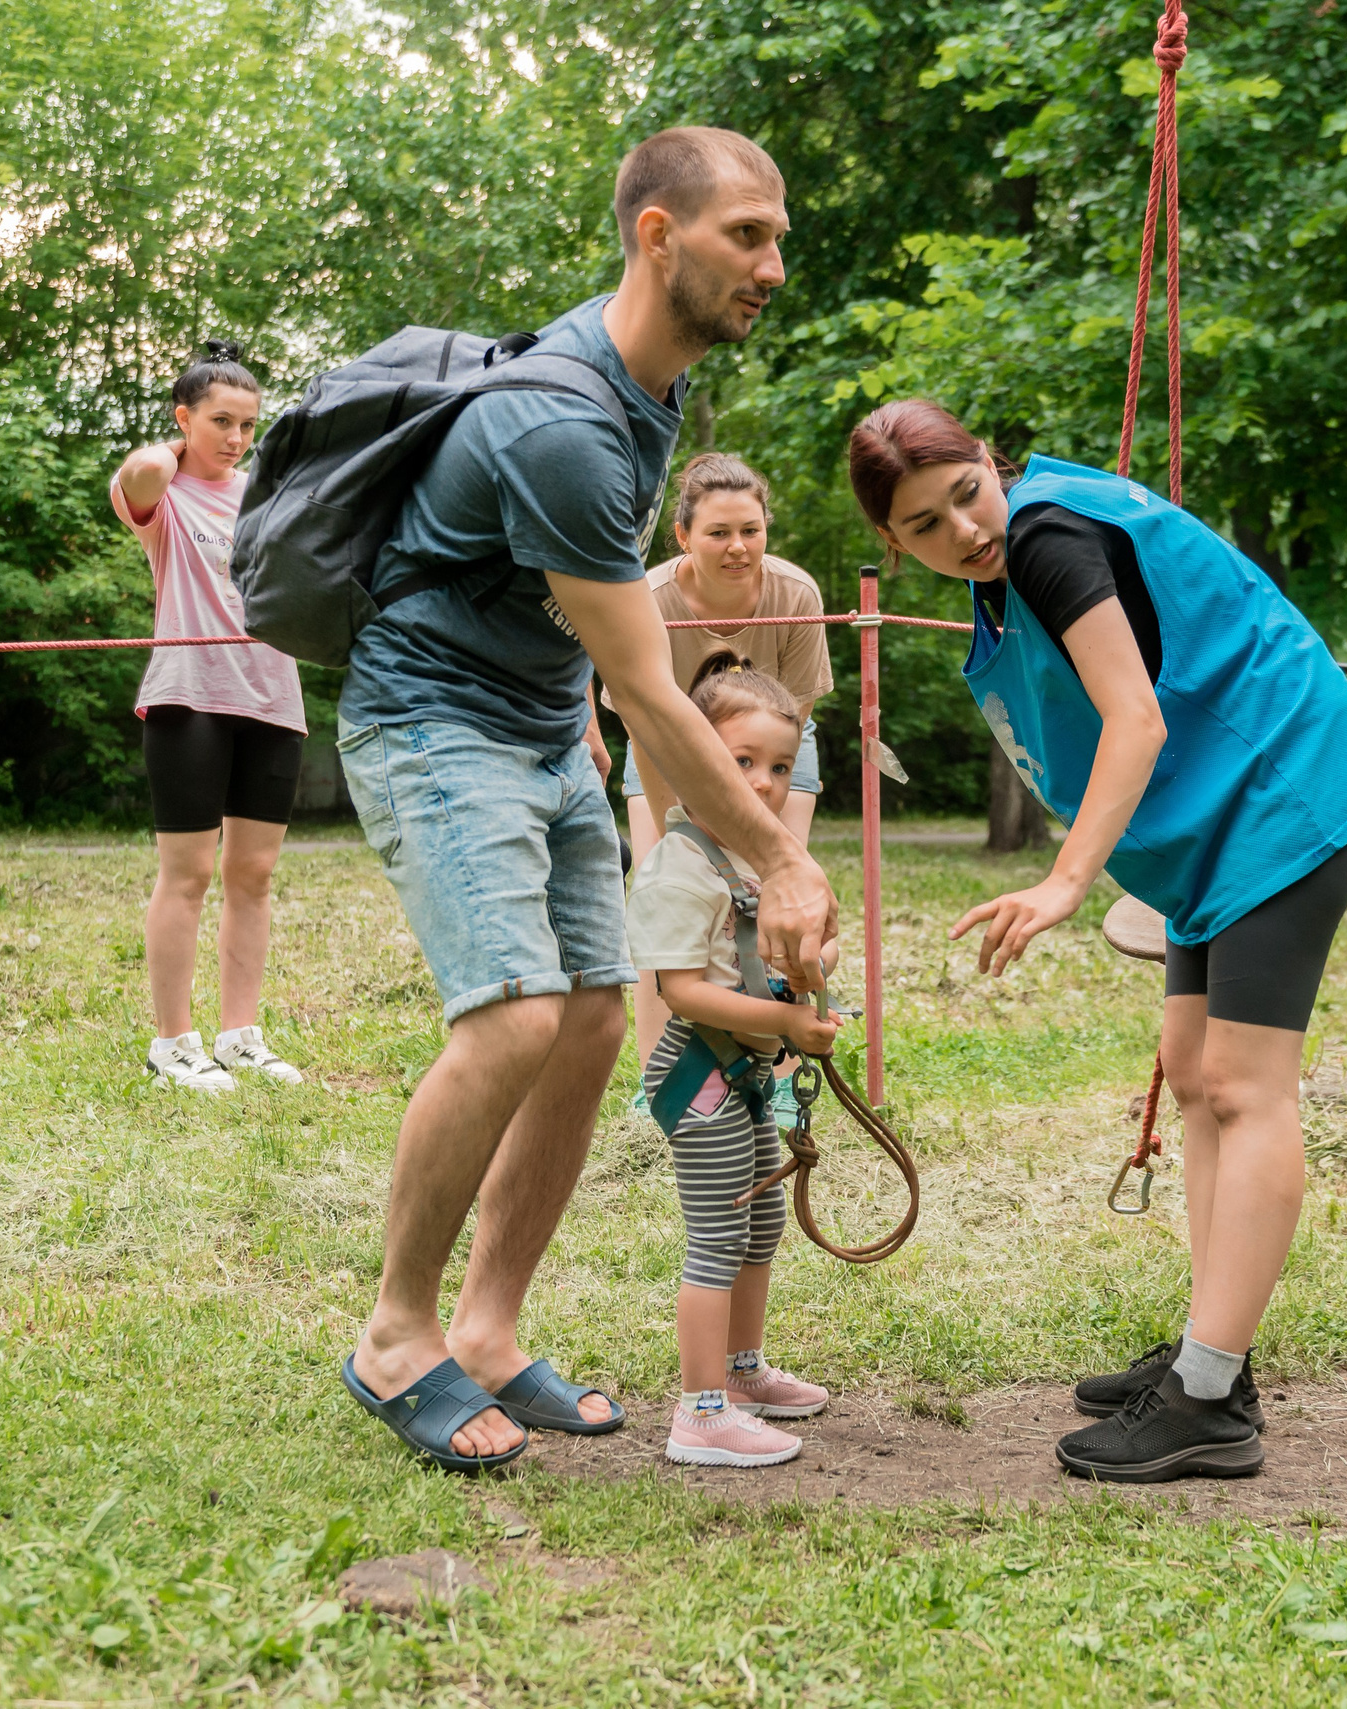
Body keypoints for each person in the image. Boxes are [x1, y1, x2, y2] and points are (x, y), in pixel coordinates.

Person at [331, 128, 838, 1474]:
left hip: (543, 725)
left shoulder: (647, 394)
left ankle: (489, 1331)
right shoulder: (560, 420)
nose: (774, 265)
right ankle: (397, 1335)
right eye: (747, 235)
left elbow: (603, 677)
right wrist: (780, 865)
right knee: (511, 1021)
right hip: (436, 721)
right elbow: (653, 688)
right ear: (655, 236)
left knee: (594, 1024)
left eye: (779, 236)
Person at [847, 399, 1347, 1484]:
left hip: (1285, 800)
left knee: (1245, 1087)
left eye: (965, 491)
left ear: (986, 460)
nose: (962, 529)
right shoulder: (1001, 576)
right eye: (923, 525)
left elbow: (1135, 716)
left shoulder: (1050, 537)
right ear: (892, 544)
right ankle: (1213, 1350)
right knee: (1195, 1076)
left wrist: (1066, 880)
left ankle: (1206, 1396)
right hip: (1221, 824)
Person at [625, 653, 840, 1468]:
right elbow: (683, 992)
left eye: (779, 767)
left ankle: (742, 1371)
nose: (763, 783)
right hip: (699, 1075)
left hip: (746, 1074)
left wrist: (802, 986)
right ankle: (699, 1410)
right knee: (717, 1235)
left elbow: (743, 966)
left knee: (761, 1219)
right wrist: (785, 1015)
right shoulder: (682, 864)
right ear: (694, 759)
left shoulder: (753, 863)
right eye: (740, 761)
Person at [110, 341, 308, 1094]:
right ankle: (172, 1044)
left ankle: (239, 1035)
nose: (235, 438)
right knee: (188, 874)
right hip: (188, 695)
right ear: (182, 417)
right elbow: (146, 474)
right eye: (220, 420)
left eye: (248, 424)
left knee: (252, 875)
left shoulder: (264, 494)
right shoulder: (161, 494)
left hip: (272, 695)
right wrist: (178, 442)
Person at [609, 452, 832, 1118]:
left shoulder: (795, 595)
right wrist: (687, 836)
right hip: (667, 750)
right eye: (718, 532)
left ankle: (780, 1075)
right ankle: (660, 1081)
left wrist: (760, 831)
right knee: (666, 899)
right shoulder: (648, 600)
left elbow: (793, 726)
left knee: (781, 895)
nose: (738, 547)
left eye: (751, 530)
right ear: (683, 536)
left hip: (774, 751)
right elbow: (648, 728)